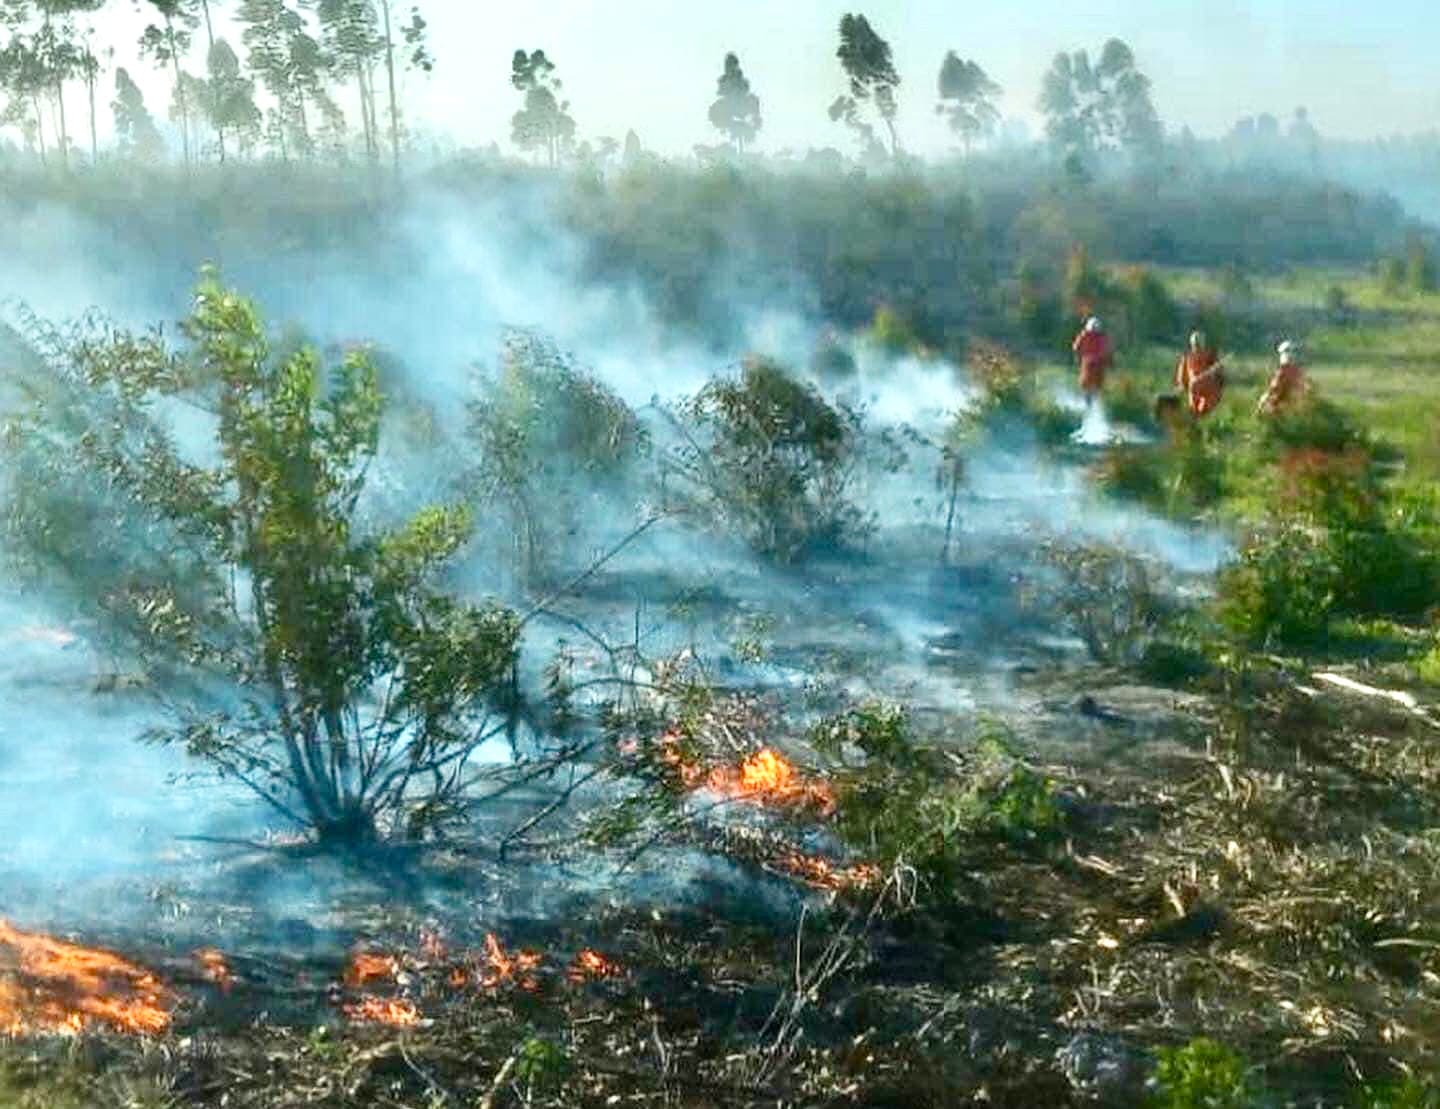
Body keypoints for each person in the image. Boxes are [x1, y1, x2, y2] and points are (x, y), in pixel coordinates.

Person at [1174, 330, 1225, 419]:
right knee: (1194, 403)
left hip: (1210, 388)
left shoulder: (1210, 356)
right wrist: (1182, 384)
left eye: (1198, 343)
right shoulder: (1187, 357)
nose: (1197, 346)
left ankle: (1201, 416)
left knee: (1204, 408)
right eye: (1195, 343)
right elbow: (1182, 376)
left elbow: (1219, 373)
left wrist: (1217, 373)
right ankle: (1195, 415)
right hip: (1194, 388)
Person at [1071, 316, 1112, 408]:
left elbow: (1076, 347)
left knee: (1094, 385)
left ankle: (1093, 403)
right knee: (1088, 384)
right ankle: (1089, 402)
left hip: (1096, 362)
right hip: (1090, 362)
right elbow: (1076, 347)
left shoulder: (1099, 336)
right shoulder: (1085, 335)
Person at [1258, 340, 1308, 415]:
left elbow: (1274, 389)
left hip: (1281, 408)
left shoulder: (1282, 372)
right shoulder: (1299, 371)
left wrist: (1263, 402)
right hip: (1295, 408)